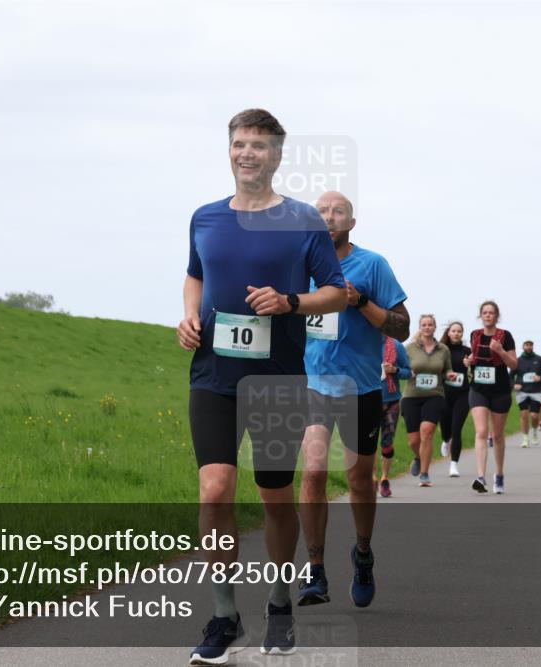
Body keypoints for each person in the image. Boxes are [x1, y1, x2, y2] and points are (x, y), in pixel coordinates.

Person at [178, 109, 348, 664]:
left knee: (275, 498)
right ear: (228, 150)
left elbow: (337, 292)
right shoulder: (204, 217)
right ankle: (224, 616)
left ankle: (278, 604)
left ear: (276, 155)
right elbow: (196, 274)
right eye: (238, 144)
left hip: (276, 379)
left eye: (257, 145)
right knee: (215, 489)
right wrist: (188, 315)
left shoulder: (302, 221)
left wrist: (289, 302)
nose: (246, 153)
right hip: (213, 374)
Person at [298, 191, 410, 610]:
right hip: (312, 386)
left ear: (352, 221)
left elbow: (401, 328)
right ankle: (315, 570)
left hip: (360, 388)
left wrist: (360, 302)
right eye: (321, 211)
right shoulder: (301, 264)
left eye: (338, 211)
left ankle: (363, 553)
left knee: (360, 480)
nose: (329, 216)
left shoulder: (372, 264)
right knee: (312, 473)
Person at [463, 301, 518, 494]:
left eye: (491, 313)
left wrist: (500, 351)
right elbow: (474, 359)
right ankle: (480, 477)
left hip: (500, 390)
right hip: (478, 389)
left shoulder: (505, 336)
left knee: (498, 435)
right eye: (484, 313)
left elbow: (514, 365)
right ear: (480, 316)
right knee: (481, 431)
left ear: (496, 316)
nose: (488, 315)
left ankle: (499, 474)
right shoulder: (475, 335)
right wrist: (468, 361)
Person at [401, 314, 458, 487]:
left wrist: (450, 375)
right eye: (424, 325)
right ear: (420, 327)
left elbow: (447, 369)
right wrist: (405, 371)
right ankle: (418, 457)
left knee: (427, 431)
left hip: (434, 395)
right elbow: (403, 369)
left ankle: (425, 474)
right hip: (411, 396)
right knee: (413, 440)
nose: (427, 327)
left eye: (430, 324)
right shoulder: (409, 348)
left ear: (434, 327)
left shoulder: (443, 349)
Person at [376, 335, 412, 497]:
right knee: (366, 445)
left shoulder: (395, 345)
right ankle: (371, 478)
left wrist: (395, 370)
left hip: (391, 401)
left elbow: (409, 372)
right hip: (367, 399)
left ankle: (384, 478)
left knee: (387, 443)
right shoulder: (361, 342)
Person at [439, 321, 472, 478]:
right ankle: (445, 440)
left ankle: (454, 465)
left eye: (459, 331)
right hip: (444, 393)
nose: (457, 333)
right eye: (454, 331)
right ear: (449, 332)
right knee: (446, 427)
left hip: (463, 393)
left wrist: (469, 364)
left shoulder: (467, 351)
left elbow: (475, 369)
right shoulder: (441, 349)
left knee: (457, 428)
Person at [512, 340, 541, 447]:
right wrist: (514, 385)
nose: (528, 347)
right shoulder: (517, 361)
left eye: (530, 345)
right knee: (524, 415)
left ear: (532, 347)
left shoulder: (539, 360)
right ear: (523, 347)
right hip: (522, 392)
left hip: (535, 392)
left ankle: (534, 432)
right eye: (526, 345)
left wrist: (540, 377)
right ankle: (525, 439)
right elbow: (510, 376)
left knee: (534, 416)